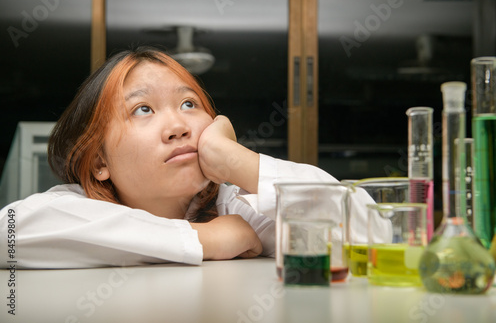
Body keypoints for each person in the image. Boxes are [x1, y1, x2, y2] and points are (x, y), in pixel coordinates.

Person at [0, 47, 387, 269]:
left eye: (189, 103)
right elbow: (9, 233)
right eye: (143, 110)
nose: (178, 126)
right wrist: (203, 239)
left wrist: (240, 163)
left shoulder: (235, 206)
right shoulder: (75, 206)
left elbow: (375, 238)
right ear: (99, 162)